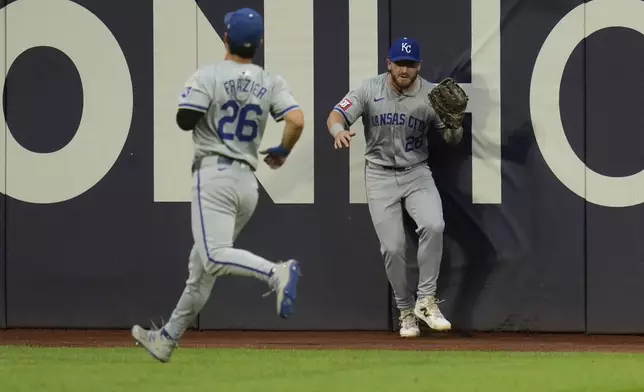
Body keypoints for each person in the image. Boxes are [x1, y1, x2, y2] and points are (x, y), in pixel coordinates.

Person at [131, 7, 305, 362]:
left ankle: (276, 273)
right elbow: (297, 120)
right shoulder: (270, 80)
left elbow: (184, 120)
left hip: (213, 176)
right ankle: (167, 338)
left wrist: (212, 97)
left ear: (225, 38)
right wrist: (283, 150)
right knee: (201, 270)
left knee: (211, 256)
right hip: (246, 184)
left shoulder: (209, 75)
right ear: (260, 43)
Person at [326, 37, 463, 338]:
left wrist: (454, 124)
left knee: (434, 225)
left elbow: (452, 141)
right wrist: (338, 130)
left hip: (416, 172)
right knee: (393, 248)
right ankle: (405, 311)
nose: (404, 70)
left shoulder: (431, 94)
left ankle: (426, 300)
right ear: (388, 63)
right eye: (399, 64)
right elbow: (336, 114)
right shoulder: (368, 89)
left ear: (419, 66)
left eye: (410, 64)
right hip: (379, 175)